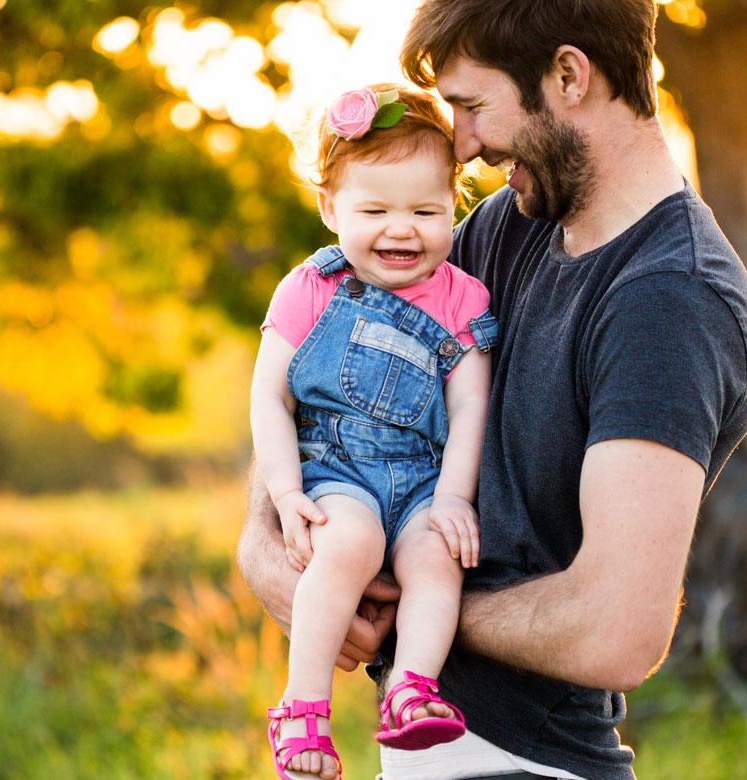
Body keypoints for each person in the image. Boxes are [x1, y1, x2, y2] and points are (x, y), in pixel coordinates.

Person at [239, 1, 747, 779]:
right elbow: (322, 383)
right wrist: (268, 546)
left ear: (567, 75)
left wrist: (409, 609)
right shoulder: (502, 227)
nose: (462, 142)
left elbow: (615, 631)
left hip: (529, 764)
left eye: (472, 105)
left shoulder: (671, 300)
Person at [251, 84, 498, 779]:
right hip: (340, 473)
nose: (402, 229)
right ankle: (303, 710)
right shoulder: (310, 287)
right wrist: (284, 488)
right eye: (375, 210)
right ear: (331, 208)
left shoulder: (462, 297)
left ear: (455, 203)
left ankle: (411, 690)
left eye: (426, 210)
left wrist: (453, 497)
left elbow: (471, 404)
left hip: (423, 479)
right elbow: (270, 396)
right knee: (349, 543)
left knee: (436, 560)